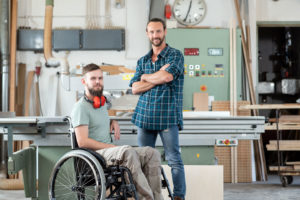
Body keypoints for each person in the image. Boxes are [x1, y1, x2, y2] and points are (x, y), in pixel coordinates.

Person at [71, 63, 163, 200]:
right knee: (127, 151)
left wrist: (112, 121)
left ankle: (157, 198)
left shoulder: (101, 104)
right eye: (93, 78)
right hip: (96, 156)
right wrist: (111, 147)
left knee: (151, 153)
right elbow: (83, 141)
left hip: (110, 153)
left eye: (100, 78)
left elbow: (96, 123)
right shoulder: (80, 107)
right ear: (84, 81)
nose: (98, 82)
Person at [129, 18, 186, 200]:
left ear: (165, 32)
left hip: (168, 116)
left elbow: (168, 77)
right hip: (144, 117)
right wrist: (154, 77)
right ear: (147, 34)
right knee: (144, 161)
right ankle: (148, 196)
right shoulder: (143, 60)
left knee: (174, 160)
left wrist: (146, 78)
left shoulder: (175, 55)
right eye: (152, 32)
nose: (155, 35)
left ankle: (178, 196)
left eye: (158, 31)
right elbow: (135, 88)